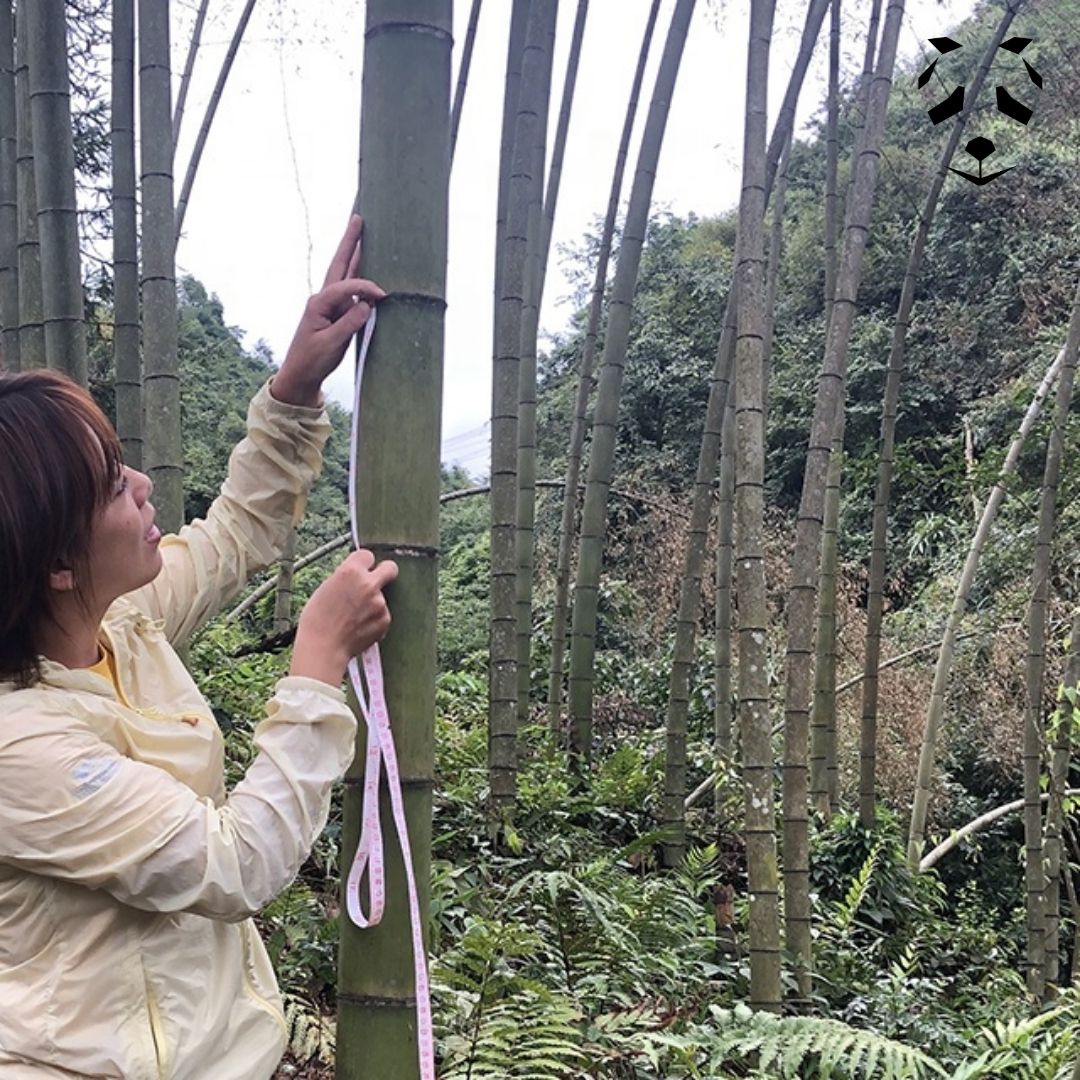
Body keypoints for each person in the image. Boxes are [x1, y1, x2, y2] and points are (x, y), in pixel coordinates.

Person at [0, 217, 396, 1078]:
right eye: (113, 483)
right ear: (59, 566)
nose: (142, 483)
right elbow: (234, 861)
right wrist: (315, 669)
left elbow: (232, 535)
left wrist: (293, 390)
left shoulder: (120, 625)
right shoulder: (18, 748)